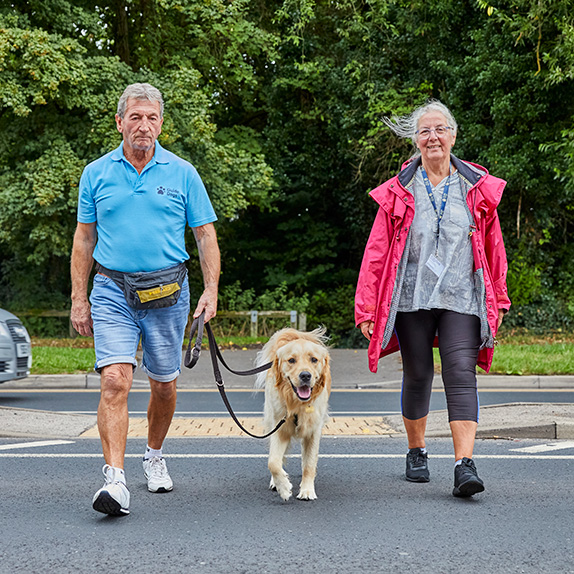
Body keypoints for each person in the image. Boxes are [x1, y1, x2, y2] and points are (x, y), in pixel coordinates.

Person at [71, 83, 220, 516]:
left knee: (164, 384)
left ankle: (153, 453)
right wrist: (80, 298)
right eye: (135, 117)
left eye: (151, 117)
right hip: (112, 289)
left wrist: (210, 291)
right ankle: (115, 481)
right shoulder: (96, 173)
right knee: (116, 379)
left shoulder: (183, 173)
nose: (143, 125)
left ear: (161, 123)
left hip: (168, 293)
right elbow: (84, 238)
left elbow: (205, 234)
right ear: (120, 122)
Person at [355, 100, 510, 497]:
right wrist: (367, 306)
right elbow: (376, 252)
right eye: (424, 131)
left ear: (453, 135)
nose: (433, 137)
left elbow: (494, 247)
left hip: (463, 295)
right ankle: (416, 449)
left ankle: (464, 465)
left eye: (439, 129)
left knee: (461, 372)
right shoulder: (400, 191)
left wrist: (500, 300)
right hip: (412, 297)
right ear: (416, 141)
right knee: (419, 372)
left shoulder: (475, 188)